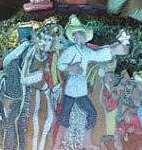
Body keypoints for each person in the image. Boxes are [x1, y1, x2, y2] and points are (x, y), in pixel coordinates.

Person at [52, 15, 129, 150]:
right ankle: (57, 145)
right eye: (77, 35)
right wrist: (71, 68)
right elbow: (60, 64)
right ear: (74, 37)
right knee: (64, 116)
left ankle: (87, 142)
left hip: (81, 90)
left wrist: (113, 50)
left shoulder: (87, 51)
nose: (79, 37)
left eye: (81, 35)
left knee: (92, 113)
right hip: (71, 88)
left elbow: (98, 55)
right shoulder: (70, 51)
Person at [20, 24, 63, 150]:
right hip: (33, 92)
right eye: (47, 40)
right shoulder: (32, 53)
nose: (49, 44)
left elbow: (52, 74)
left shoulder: (49, 55)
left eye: (51, 41)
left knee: (49, 119)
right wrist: (40, 75)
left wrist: (55, 87)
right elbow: (24, 78)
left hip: (46, 91)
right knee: (35, 123)